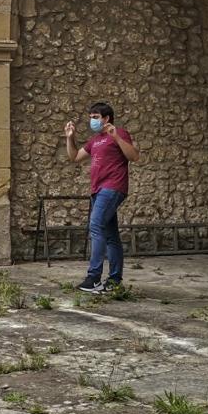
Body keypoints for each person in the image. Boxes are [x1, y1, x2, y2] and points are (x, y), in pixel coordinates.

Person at [65, 101, 139, 294]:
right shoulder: (95, 140)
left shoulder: (119, 133)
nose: (92, 121)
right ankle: (114, 280)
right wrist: (70, 138)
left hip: (112, 188)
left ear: (106, 118)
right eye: (90, 117)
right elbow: (74, 157)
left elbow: (133, 156)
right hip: (98, 191)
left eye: (96, 117)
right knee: (111, 236)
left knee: (95, 226)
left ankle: (94, 277)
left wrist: (116, 137)